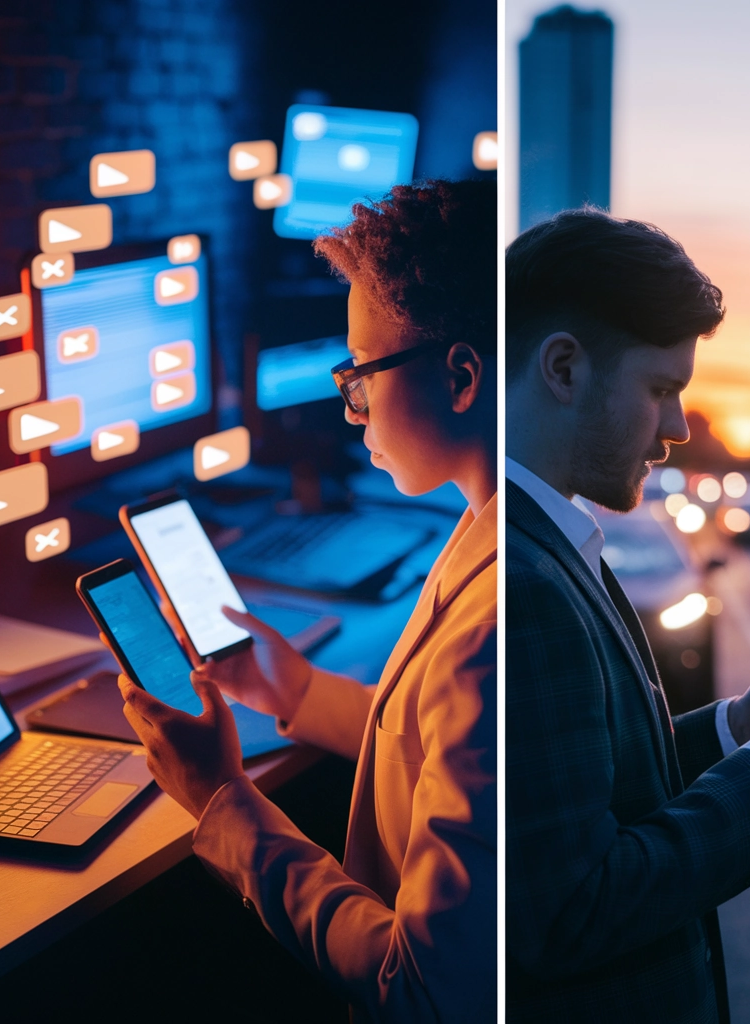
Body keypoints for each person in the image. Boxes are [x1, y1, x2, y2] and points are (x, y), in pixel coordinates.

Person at [113, 180, 497, 1022]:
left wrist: (223, 799)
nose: (348, 405)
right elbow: (440, 750)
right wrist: (290, 691)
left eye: (359, 375)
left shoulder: (493, 627)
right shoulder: (483, 530)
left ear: (462, 376)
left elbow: (422, 987)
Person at [505, 207, 750, 1022]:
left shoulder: (549, 536)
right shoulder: (526, 582)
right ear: (565, 369)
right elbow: (571, 913)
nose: (680, 428)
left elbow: (585, 789)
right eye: (661, 389)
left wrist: (739, 727)